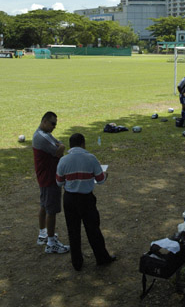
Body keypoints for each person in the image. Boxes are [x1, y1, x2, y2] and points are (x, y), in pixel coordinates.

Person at [56, 133, 116, 271]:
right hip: (86, 199)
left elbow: (59, 182)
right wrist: (105, 175)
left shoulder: (63, 160)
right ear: (83, 144)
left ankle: (77, 263)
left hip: (70, 199)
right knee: (93, 229)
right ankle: (101, 257)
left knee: (73, 231)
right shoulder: (90, 158)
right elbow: (100, 180)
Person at [32, 111, 70, 254]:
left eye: (56, 124)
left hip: (44, 177)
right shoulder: (42, 137)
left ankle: (43, 234)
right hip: (49, 178)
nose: (54, 127)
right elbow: (59, 150)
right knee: (51, 210)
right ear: (44, 122)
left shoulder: (43, 134)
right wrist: (61, 146)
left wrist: (60, 145)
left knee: (44, 205)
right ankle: (51, 243)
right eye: (52, 123)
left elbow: (58, 143)